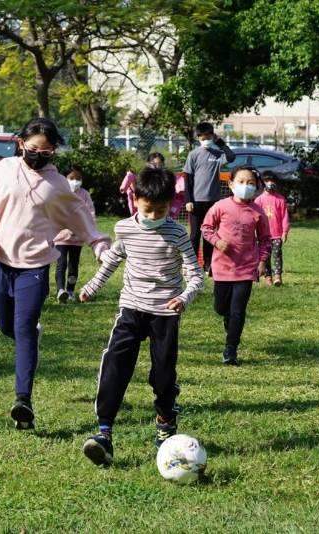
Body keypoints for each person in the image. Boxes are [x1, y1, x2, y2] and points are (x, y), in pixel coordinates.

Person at [0, 117, 110, 430]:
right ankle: (29, 338)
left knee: (24, 330)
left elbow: (80, 217)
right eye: (33, 149)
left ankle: (22, 401)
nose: (39, 155)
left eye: (47, 151)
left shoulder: (57, 186)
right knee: (8, 328)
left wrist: (98, 244)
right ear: (20, 144)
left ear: (54, 151)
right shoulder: (2, 171)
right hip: (1, 262)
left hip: (36, 266)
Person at [79, 166, 204, 467]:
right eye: (147, 210)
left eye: (160, 211)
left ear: (170, 206)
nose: (152, 217)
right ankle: (104, 433)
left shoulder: (176, 232)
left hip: (164, 312)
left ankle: (165, 420)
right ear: (135, 199)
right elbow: (112, 260)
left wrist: (184, 297)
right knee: (114, 364)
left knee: (162, 375)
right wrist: (91, 287)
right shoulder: (124, 228)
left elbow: (196, 275)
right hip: (131, 307)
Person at [202, 166, 271, 366]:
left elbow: (265, 239)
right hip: (222, 267)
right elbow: (205, 228)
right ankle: (228, 320)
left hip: (246, 268)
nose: (245, 186)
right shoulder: (220, 206)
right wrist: (217, 241)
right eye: (241, 182)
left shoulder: (258, 212)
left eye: (250, 183)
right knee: (221, 307)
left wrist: (262, 261)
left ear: (257, 187)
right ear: (231, 184)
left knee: (238, 311)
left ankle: (231, 349)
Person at [183, 122, 235, 272]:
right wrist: (188, 200)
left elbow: (231, 157)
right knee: (194, 235)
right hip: (196, 202)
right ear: (198, 138)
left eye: (208, 137)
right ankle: (192, 265)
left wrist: (220, 143)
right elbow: (188, 179)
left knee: (209, 235)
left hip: (213, 202)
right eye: (202, 137)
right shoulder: (193, 154)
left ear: (212, 136)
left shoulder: (218, 154)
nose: (205, 139)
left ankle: (208, 265)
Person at [54, 165, 95, 303]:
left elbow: (90, 214)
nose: (75, 181)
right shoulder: (59, 193)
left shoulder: (85, 195)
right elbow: (55, 214)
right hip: (60, 238)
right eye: (72, 178)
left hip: (77, 239)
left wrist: (83, 229)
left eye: (78, 178)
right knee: (61, 264)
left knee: (73, 265)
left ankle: (70, 290)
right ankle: (60, 290)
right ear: (64, 178)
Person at [254, 170, 290, 286]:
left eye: (272, 181)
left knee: (277, 255)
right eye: (267, 181)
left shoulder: (280, 199)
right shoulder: (258, 200)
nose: (270, 183)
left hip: (277, 235)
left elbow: (285, 216)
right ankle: (268, 276)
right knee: (265, 256)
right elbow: (255, 217)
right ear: (262, 183)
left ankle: (277, 276)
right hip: (263, 235)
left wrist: (285, 232)